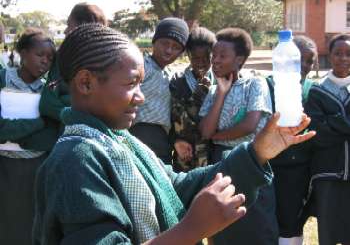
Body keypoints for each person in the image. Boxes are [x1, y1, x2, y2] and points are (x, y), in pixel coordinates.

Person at [32, 23, 315, 245]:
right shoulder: (76, 160)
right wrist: (191, 229)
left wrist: (257, 153)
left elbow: (175, 186)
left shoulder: (119, 141)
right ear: (85, 83)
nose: (140, 97)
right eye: (132, 84)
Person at [199, 28, 277, 245]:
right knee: (223, 228)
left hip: (251, 163)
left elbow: (249, 125)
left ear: (240, 59)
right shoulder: (215, 91)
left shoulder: (255, 83)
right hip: (221, 166)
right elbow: (205, 132)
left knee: (256, 225)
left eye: (222, 55)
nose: (215, 60)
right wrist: (222, 95)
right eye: (213, 55)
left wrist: (218, 136)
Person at [0, 28, 57, 244]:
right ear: (22, 53)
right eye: (39, 55)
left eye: (50, 58)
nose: (45, 62)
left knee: (30, 224)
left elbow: (51, 135)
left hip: (37, 167)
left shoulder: (48, 91)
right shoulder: (3, 79)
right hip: (4, 167)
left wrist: (16, 133)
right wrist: (38, 123)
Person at [267, 35, 318, 245]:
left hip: (299, 169)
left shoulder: (314, 90)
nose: (304, 66)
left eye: (309, 61)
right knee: (269, 221)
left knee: (292, 224)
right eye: (300, 60)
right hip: (270, 165)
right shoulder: (268, 85)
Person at [304, 34, 350, 245]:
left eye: (348, 54)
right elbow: (317, 135)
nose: (343, 58)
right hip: (327, 172)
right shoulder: (317, 90)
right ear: (329, 56)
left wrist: (334, 121)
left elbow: (326, 127)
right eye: (338, 53)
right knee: (329, 234)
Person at [39, 2, 108, 134]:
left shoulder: (111, 62)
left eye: (69, 24)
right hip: (65, 137)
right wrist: (79, 113)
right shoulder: (63, 58)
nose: (65, 31)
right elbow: (46, 104)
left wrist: (66, 100)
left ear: (83, 27)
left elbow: (108, 107)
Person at [130, 17, 189, 164]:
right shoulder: (141, 67)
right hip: (135, 136)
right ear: (154, 41)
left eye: (176, 47)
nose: (169, 50)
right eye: (164, 43)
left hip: (162, 144)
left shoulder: (172, 76)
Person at [169, 26, 216, 171]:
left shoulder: (220, 81)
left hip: (213, 152)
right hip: (185, 154)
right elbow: (178, 122)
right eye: (195, 58)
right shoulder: (178, 82)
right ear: (188, 55)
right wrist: (200, 92)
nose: (201, 63)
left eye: (206, 58)